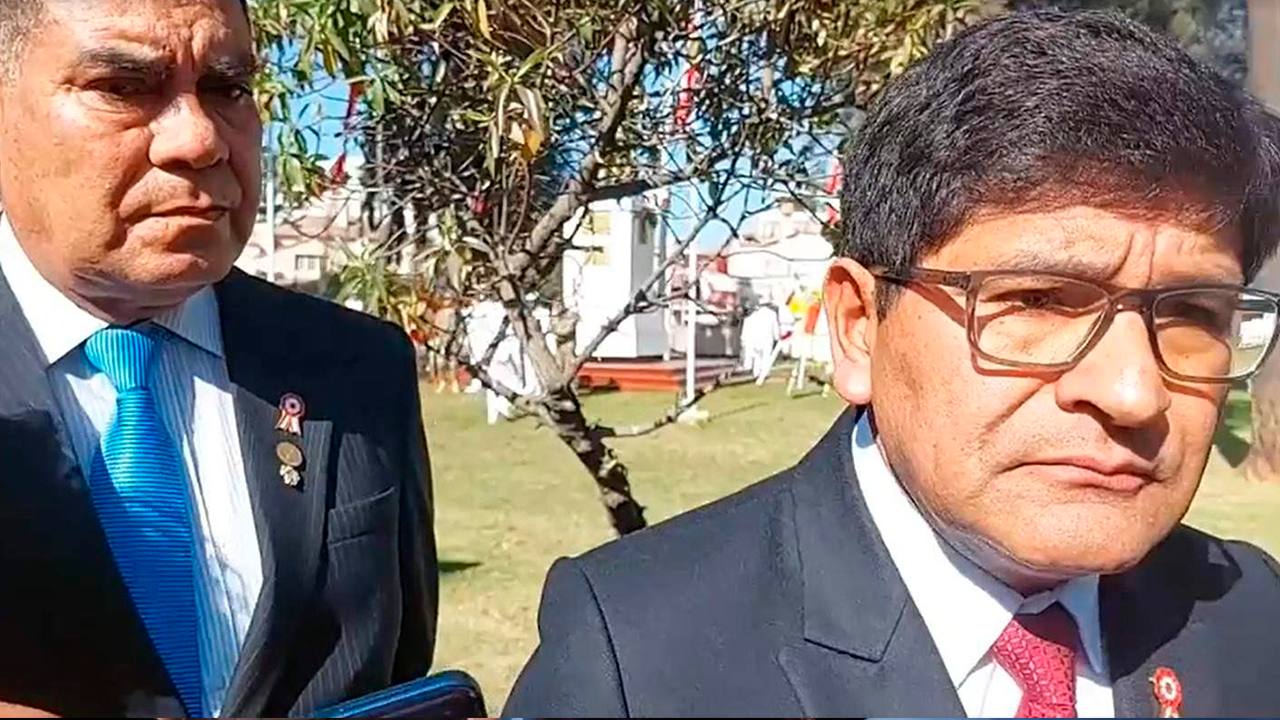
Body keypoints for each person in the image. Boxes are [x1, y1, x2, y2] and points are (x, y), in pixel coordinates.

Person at [505, 10, 1280, 718]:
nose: (1133, 391)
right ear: (857, 328)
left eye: (1192, 314)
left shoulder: (1251, 613)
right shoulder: (635, 662)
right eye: (1039, 301)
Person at [0, 0, 437, 716]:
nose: (200, 139)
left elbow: (401, 665)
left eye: (227, 88)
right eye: (123, 87)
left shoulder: (360, 366)